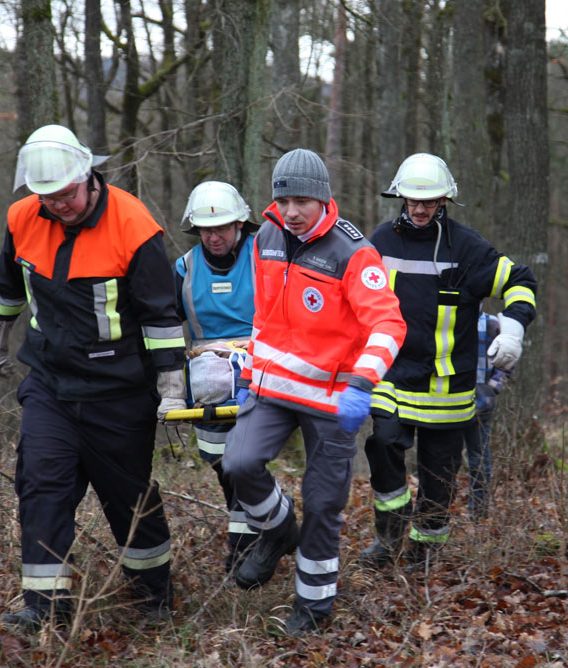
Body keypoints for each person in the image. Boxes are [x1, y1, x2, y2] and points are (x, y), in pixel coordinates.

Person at [0, 125, 186, 631]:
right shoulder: (22, 218)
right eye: (46, 197)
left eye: (66, 194)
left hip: (119, 391)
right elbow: (7, 287)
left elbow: (161, 314)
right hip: (51, 383)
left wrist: (170, 386)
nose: (58, 205)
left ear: (89, 176)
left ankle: (153, 594)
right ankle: (44, 609)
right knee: (41, 484)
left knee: (128, 498)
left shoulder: (133, 224)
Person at [222, 149, 407, 636]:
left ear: (323, 198)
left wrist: (363, 383)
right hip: (270, 387)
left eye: (302, 200)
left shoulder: (353, 253)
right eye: (285, 200)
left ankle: (313, 606)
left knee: (324, 503)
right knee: (238, 464)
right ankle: (280, 532)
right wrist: (249, 372)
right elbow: (263, 314)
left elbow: (388, 323)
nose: (292, 211)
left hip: (332, 402)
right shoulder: (265, 236)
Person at [360, 153, 537, 571]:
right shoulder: (380, 242)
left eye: (430, 201)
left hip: (448, 387)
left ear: (445, 201)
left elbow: (520, 281)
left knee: (439, 479)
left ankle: (426, 551)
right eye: (412, 200)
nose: (420, 209)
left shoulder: (467, 248)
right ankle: (388, 538)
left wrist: (512, 329)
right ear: (399, 197)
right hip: (391, 379)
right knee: (381, 446)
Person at [172, 181, 259, 572]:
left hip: (259, 377)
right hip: (206, 383)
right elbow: (165, 326)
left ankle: (245, 546)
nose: (214, 235)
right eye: (207, 229)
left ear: (240, 224)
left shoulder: (262, 258)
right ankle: (254, 529)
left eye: (222, 227)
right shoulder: (185, 268)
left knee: (246, 463)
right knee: (223, 466)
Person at [463, 311, 514, 519]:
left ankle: (478, 510)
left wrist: (492, 387)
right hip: (448, 401)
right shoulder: (449, 319)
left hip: (482, 403)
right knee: (443, 457)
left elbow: (508, 360)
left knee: (479, 458)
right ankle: (438, 509)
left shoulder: (493, 325)